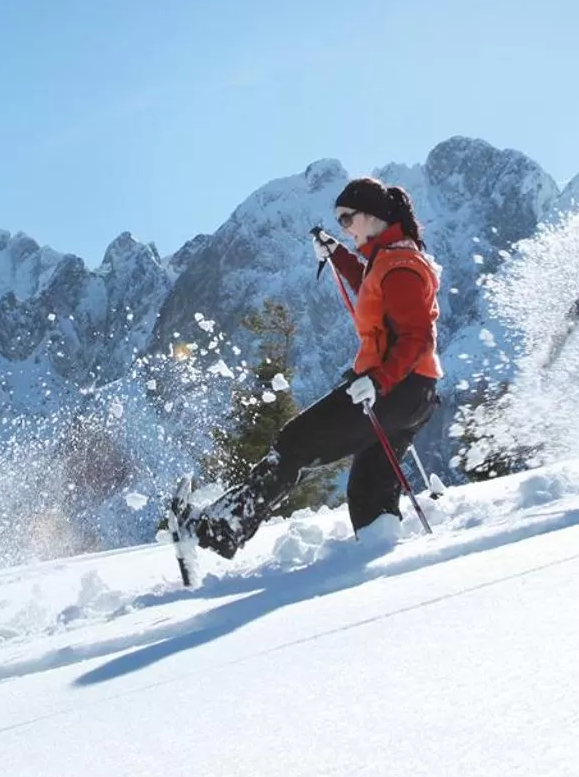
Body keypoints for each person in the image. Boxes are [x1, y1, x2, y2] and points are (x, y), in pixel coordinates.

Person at [184, 178, 443, 558]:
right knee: (369, 490)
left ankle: (221, 528)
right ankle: (383, 555)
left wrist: (379, 380)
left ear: (373, 215)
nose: (344, 227)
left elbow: (417, 337)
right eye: (339, 222)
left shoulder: (401, 266)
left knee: (296, 442)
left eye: (347, 219)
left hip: (395, 388)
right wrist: (337, 254)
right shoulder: (388, 259)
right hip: (412, 392)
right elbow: (370, 285)